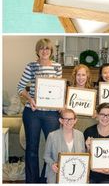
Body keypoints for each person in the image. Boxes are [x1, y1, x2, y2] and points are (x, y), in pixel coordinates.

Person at [17, 38, 62, 183]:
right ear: (37, 51)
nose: (44, 51)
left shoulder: (57, 67)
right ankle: (32, 181)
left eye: (47, 48)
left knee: (53, 147)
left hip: (51, 114)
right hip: (32, 113)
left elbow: (58, 90)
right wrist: (29, 99)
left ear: (51, 51)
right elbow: (20, 88)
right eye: (42, 48)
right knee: (31, 149)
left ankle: (47, 178)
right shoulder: (31, 66)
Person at [44, 108, 85, 183]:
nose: (69, 122)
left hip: (75, 175)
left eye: (71, 119)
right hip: (56, 174)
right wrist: (52, 164)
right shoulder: (52, 136)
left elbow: (83, 156)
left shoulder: (80, 135)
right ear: (61, 120)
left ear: (75, 120)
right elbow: (46, 156)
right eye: (66, 119)